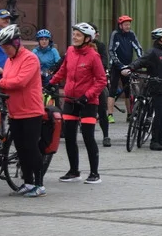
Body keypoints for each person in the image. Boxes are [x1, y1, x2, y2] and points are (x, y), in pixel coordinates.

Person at [0, 25, 47, 196]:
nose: (4, 50)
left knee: (31, 148)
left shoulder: (30, 59)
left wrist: (0, 83)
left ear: (16, 43)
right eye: (2, 47)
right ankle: (28, 183)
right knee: (21, 149)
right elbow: (8, 80)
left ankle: (39, 185)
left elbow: (20, 82)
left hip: (31, 111)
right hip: (15, 111)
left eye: (6, 47)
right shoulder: (10, 60)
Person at [50, 23, 107, 182]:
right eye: (74, 34)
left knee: (88, 137)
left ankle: (94, 173)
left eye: (78, 35)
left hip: (88, 102)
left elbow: (102, 80)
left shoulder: (93, 56)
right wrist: (51, 82)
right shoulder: (70, 51)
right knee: (69, 136)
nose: (74, 37)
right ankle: (74, 171)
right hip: (70, 100)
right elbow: (63, 70)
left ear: (87, 39)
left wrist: (87, 96)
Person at [122, 28, 162, 151]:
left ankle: (161, 140)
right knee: (160, 114)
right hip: (157, 88)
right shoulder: (153, 52)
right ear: (160, 39)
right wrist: (130, 68)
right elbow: (141, 61)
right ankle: (154, 141)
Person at [108, 15, 143, 121]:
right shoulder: (115, 34)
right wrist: (120, 66)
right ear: (120, 25)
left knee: (127, 90)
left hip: (127, 66)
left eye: (129, 25)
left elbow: (138, 48)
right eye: (126, 25)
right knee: (113, 90)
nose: (128, 27)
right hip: (116, 66)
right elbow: (111, 51)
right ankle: (110, 115)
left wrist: (141, 61)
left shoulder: (131, 34)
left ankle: (129, 114)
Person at [93, 27, 112, 146]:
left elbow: (105, 61)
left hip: (98, 82)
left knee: (102, 110)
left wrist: (98, 67)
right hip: (84, 83)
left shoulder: (100, 46)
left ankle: (106, 136)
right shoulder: (77, 48)